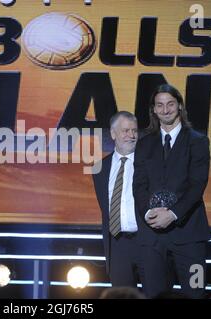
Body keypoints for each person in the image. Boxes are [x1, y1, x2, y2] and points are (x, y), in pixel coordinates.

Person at [133, 84, 211, 298]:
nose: (165, 110)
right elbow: (138, 185)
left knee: (196, 293)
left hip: (190, 236)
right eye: (160, 105)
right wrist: (147, 213)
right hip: (152, 237)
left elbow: (198, 184)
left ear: (179, 106)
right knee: (153, 294)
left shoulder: (198, 141)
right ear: (154, 110)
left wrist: (173, 214)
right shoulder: (144, 144)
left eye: (170, 104)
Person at [92, 111, 143, 288]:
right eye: (126, 131)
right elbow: (105, 208)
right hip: (117, 244)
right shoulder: (99, 168)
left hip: (148, 242)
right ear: (113, 134)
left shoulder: (149, 163)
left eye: (134, 131)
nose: (131, 135)